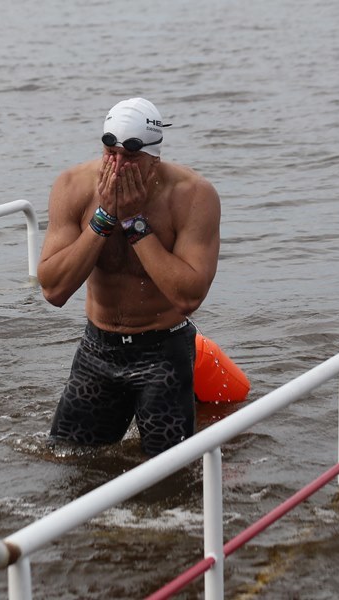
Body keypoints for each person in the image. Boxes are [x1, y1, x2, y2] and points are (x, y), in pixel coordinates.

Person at [38, 97, 220, 457]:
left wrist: (135, 221)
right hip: (97, 349)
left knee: (170, 475)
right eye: (111, 153)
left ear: (154, 158)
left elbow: (188, 297)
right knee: (67, 460)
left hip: (163, 353)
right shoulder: (73, 186)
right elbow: (53, 290)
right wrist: (105, 216)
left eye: (131, 157)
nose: (119, 166)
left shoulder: (193, 195)